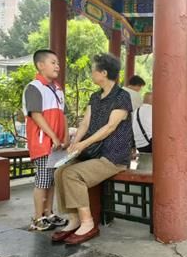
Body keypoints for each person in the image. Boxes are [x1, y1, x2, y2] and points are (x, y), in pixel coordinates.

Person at [50, 54, 134, 245]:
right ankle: (74, 219)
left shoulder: (122, 96)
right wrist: (75, 143)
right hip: (93, 153)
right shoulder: (95, 97)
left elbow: (110, 127)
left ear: (103, 73)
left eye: (93, 70)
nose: (91, 73)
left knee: (71, 174)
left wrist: (83, 144)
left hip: (113, 156)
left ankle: (88, 223)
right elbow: (85, 123)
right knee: (60, 172)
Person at [22, 49, 69, 232]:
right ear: (41, 65)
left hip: (57, 144)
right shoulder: (34, 87)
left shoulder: (58, 89)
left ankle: (49, 213)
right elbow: (36, 115)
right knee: (42, 180)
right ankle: (37, 217)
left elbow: (63, 115)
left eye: (58, 63)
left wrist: (65, 137)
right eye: (53, 62)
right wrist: (54, 136)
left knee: (52, 180)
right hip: (43, 143)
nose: (58, 66)